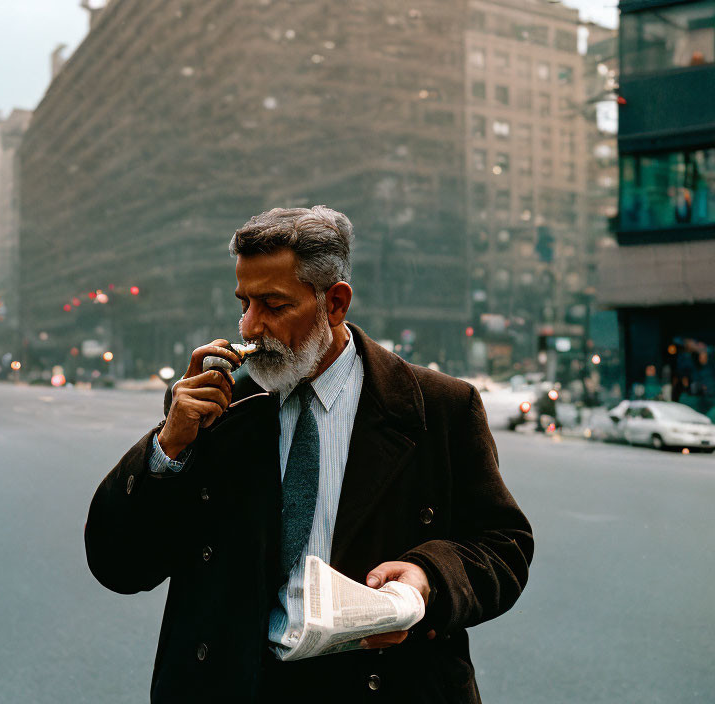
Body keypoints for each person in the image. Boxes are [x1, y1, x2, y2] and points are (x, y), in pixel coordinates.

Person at [85, 206, 533, 703]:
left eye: (272, 305)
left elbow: (503, 546)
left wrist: (428, 580)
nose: (250, 327)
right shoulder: (215, 407)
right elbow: (120, 566)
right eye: (244, 303)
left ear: (335, 304)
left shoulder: (441, 407)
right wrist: (166, 447)